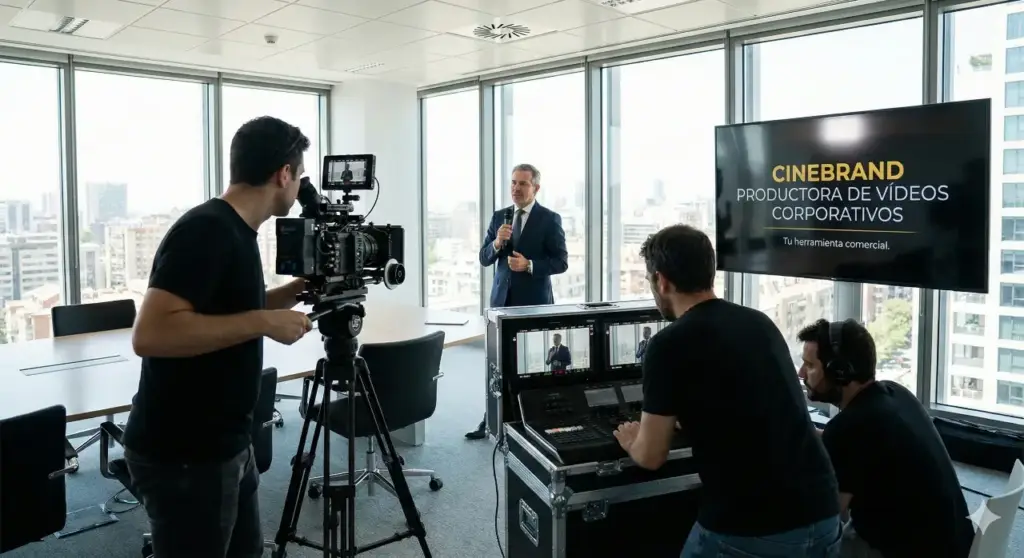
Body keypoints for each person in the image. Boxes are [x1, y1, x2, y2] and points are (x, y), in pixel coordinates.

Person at [122, 116, 315, 558]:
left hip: (227, 442)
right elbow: (151, 333)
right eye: (299, 174)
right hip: (185, 454)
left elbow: (220, 307)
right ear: (283, 173)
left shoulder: (239, 231)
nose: (299, 184)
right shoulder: (207, 229)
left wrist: (284, 297)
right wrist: (264, 323)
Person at [612, 224, 841, 558]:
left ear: (661, 280)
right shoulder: (759, 322)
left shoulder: (667, 344)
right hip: (823, 512)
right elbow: (747, 400)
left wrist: (633, 438)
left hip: (753, 527)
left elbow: (651, 456)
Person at [797, 319, 974, 558]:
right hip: (953, 545)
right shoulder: (894, 394)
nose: (801, 373)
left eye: (809, 365)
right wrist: (799, 432)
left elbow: (827, 515)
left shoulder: (850, 426)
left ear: (840, 371)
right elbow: (847, 445)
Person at [466, 163, 569, 440]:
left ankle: (531, 421)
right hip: (501, 302)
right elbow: (484, 257)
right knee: (496, 364)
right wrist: (497, 243)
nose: (516, 188)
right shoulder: (500, 216)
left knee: (531, 363)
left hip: (533, 303)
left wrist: (530, 265)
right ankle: (491, 419)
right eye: (513, 182)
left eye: (523, 183)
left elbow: (561, 262)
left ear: (535, 187)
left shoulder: (550, 219)